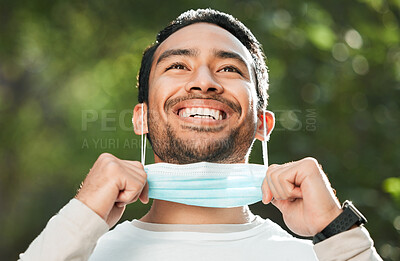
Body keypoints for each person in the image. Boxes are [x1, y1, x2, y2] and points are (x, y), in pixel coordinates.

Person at [20, 8, 382, 261]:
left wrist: (337, 230)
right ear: (141, 118)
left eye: (228, 68)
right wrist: (81, 216)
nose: (204, 82)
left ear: (262, 123)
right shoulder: (75, 252)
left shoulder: (330, 255)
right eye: (178, 65)